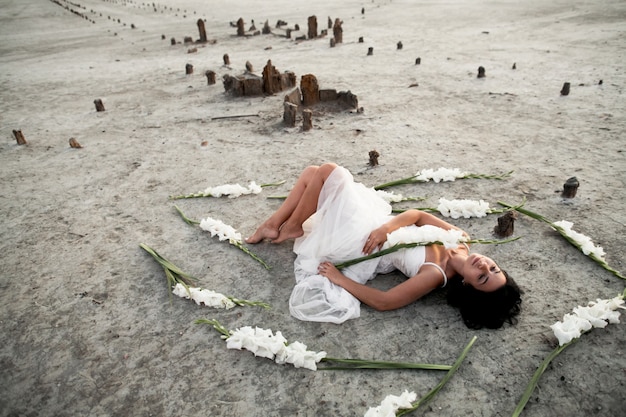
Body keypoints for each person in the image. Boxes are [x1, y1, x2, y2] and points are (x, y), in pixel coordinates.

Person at [246, 163, 522, 329]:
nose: (484, 266)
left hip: (363, 246)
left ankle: (291, 226)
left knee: (330, 173)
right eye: (494, 267)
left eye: (483, 277)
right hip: (378, 225)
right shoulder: (461, 238)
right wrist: (387, 227)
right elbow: (417, 215)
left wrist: (339, 278)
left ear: (468, 286)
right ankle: (272, 225)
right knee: (314, 173)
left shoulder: (435, 274)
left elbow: (386, 302)